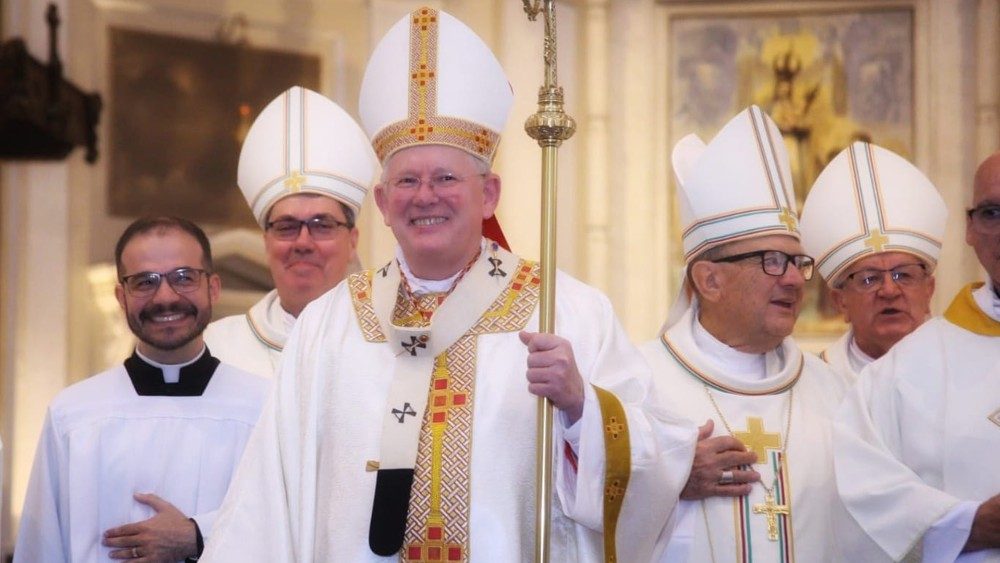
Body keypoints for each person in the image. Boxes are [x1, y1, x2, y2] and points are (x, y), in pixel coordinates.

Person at [202, 7, 697, 562]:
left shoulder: (566, 312)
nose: (425, 196)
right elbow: (270, 497)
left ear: (488, 196)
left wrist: (581, 406)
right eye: (407, 181)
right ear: (384, 204)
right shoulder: (329, 324)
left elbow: (654, 466)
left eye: (446, 178)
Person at [641, 106, 885, 561]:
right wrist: (667, 482)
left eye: (797, 262)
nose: (794, 280)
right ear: (709, 280)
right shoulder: (638, 384)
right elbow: (578, 515)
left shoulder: (835, 392)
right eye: (772, 261)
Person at [13, 217, 268, 563]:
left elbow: (288, 532)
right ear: (121, 296)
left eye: (184, 277)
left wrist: (198, 535)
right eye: (144, 282)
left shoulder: (264, 408)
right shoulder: (73, 415)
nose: (165, 297)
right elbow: (41, 550)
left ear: (213, 288)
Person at [834, 151, 1000, 561]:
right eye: (992, 212)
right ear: (970, 229)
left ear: (929, 285)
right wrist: (968, 524)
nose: (889, 291)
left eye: (904, 275)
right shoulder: (898, 372)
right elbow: (864, 492)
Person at [203, 86, 379, 378]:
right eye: (286, 227)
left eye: (322, 226)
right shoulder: (218, 350)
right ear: (266, 242)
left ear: (352, 241)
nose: (303, 242)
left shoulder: (390, 346)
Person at [799, 142, 946, 381]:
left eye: (903, 275)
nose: (889, 290)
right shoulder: (814, 385)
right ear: (840, 302)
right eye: (869, 278)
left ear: (929, 290)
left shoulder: (963, 374)